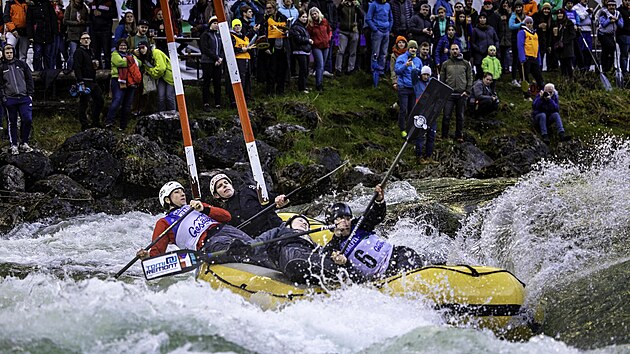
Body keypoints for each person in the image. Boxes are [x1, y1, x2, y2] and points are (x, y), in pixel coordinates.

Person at [136, 181, 271, 267]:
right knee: (243, 250)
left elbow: (226, 216)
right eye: (177, 192)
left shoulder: (194, 206)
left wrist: (204, 209)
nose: (182, 194)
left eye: (183, 191)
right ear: (167, 199)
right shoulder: (164, 222)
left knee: (257, 248)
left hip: (226, 229)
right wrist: (147, 257)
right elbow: (157, 253)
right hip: (208, 243)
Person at [322, 185, 428, 281]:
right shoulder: (334, 248)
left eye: (348, 218)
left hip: (399, 256)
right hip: (383, 275)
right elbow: (354, 277)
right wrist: (344, 263)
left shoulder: (358, 225)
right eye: (340, 218)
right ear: (331, 223)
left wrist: (379, 200)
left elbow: (376, 215)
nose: (346, 222)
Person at [256, 214, 364, 285]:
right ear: (289, 224)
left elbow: (324, 253)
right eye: (300, 221)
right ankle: (364, 283)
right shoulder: (280, 231)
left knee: (338, 267)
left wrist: (336, 240)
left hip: (301, 262)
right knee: (347, 274)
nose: (304, 223)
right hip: (294, 256)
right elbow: (259, 243)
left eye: (307, 224)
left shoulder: (310, 242)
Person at [209, 173, 289, 238]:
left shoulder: (248, 190)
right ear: (216, 195)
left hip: (277, 228)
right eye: (220, 186)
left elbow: (273, 199)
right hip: (259, 242)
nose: (224, 185)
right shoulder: (224, 214)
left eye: (226, 183)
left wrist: (281, 199)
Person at [0, 45, 34, 155]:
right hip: (10, 99)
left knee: (27, 119)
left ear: (13, 52)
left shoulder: (21, 64)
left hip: (24, 98)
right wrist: (4, 98)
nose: (9, 54)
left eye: (10, 52)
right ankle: (13, 144)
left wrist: (30, 94)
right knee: (12, 122)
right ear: (4, 54)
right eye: (7, 53)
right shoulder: (2, 67)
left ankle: (24, 142)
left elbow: (29, 79)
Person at [440, 43, 473, 142]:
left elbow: (470, 78)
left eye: (456, 49)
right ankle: (444, 136)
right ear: (450, 51)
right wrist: (443, 92)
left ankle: (459, 135)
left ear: (459, 50)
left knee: (460, 116)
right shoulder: (445, 64)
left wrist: (467, 91)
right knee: (446, 115)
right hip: (449, 94)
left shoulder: (466, 63)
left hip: (461, 94)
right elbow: (442, 79)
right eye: (453, 49)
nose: (455, 51)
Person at [105, 39, 141, 130]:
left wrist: (129, 60)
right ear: (118, 46)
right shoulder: (115, 54)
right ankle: (109, 122)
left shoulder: (130, 55)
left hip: (130, 82)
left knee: (127, 104)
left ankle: (123, 126)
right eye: (121, 45)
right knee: (117, 100)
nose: (123, 47)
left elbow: (139, 63)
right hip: (117, 80)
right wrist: (131, 61)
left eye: (125, 45)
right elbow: (119, 62)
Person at [73, 32, 104, 130]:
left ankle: (95, 121)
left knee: (99, 100)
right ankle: (84, 125)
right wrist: (80, 81)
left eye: (88, 38)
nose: (86, 40)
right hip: (84, 81)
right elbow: (77, 67)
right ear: (80, 40)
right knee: (84, 104)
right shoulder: (78, 51)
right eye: (84, 38)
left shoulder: (91, 51)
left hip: (93, 80)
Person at [135, 41, 176, 112]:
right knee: (160, 97)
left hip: (170, 76)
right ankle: (161, 115)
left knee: (169, 97)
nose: (142, 50)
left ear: (147, 47)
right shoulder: (144, 58)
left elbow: (161, 68)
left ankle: (173, 115)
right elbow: (148, 69)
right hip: (161, 78)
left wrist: (152, 72)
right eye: (140, 48)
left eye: (143, 47)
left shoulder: (156, 52)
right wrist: (154, 72)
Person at [394, 39, 421, 139]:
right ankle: (402, 128)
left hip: (413, 88)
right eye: (411, 48)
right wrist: (405, 65)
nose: (413, 49)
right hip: (403, 87)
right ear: (408, 48)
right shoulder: (402, 58)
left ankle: (410, 128)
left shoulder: (418, 60)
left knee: (412, 110)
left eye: (415, 48)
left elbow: (421, 73)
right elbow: (397, 70)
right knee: (403, 109)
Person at [365, 0, 393, 87]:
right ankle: (374, 71)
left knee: (384, 53)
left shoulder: (388, 5)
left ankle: (381, 71)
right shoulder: (373, 5)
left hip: (386, 31)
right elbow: (368, 18)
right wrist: (375, 29)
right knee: (375, 53)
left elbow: (391, 18)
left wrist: (389, 28)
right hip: (377, 31)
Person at [414, 66, 438, 164]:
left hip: (431, 111)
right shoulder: (417, 83)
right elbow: (413, 73)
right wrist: (418, 69)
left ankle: (429, 156)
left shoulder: (431, 83)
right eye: (424, 74)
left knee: (431, 135)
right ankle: (419, 156)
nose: (426, 76)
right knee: (420, 135)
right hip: (420, 111)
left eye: (428, 75)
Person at [200, 16, 224, 111]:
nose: (216, 25)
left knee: (217, 83)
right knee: (206, 83)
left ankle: (218, 103)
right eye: (214, 23)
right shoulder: (205, 35)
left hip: (217, 62)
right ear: (210, 24)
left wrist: (220, 58)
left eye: (217, 23)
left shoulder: (218, 35)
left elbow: (222, 48)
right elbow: (205, 49)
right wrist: (216, 58)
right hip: (207, 62)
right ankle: (206, 103)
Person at [26, 0, 58, 71]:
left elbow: (53, 19)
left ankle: (48, 73)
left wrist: (54, 32)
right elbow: (29, 21)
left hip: (48, 35)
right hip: (37, 35)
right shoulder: (31, 6)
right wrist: (30, 35)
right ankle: (37, 72)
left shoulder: (48, 5)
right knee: (37, 55)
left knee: (47, 55)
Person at [517, 16, 544, 99]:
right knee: (525, 78)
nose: (529, 24)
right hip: (526, 58)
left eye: (530, 23)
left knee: (539, 77)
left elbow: (537, 47)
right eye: (527, 23)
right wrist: (522, 58)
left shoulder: (535, 33)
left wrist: (539, 59)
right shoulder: (522, 32)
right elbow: (520, 45)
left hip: (534, 58)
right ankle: (526, 95)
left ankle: (542, 93)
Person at [335, 0, 363, 75]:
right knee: (341, 51)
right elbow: (336, 13)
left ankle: (351, 69)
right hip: (343, 31)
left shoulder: (356, 5)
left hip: (354, 30)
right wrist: (341, 5)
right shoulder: (343, 5)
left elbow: (362, 15)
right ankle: (338, 69)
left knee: (353, 51)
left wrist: (357, 7)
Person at [308, 7, 332, 92]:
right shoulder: (310, 25)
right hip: (316, 47)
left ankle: (320, 82)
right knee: (320, 65)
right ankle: (319, 85)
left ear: (318, 13)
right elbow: (309, 35)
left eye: (315, 13)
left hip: (326, 46)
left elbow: (329, 30)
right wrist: (313, 42)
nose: (314, 15)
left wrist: (328, 38)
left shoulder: (324, 21)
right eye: (312, 14)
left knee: (323, 65)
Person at [229, 19, 253, 104]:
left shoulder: (245, 37)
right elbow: (230, 49)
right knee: (240, 79)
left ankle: (247, 97)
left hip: (247, 59)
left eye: (239, 25)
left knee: (247, 79)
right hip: (238, 60)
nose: (237, 27)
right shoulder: (231, 36)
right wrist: (241, 49)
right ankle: (237, 99)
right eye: (235, 25)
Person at [88, 0, 118, 69]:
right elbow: (90, 16)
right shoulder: (93, 2)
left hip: (105, 31)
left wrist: (101, 14)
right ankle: (98, 72)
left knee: (106, 53)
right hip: (94, 31)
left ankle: (108, 71)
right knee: (96, 53)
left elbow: (114, 14)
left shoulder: (110, 2)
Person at [598, 0, 624, 74]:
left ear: (615, 6)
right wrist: (609, 19)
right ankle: (604, 67)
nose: (611, 7)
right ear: (607, 6)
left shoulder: (618, 13)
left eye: (613, 5)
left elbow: (621, 25)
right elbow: (603, 24)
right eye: (610, 5)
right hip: (603, 34)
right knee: (611, 47)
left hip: (611, 35)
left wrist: (616, 20)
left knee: (609, 50)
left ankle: (609, 67)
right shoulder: (603, 12)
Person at [290, 10, 313, 93]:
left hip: (305, 50)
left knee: (306, 69)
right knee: (303, 69)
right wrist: (308, 40)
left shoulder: (304, 27)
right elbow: (298, 39)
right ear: (299, 17)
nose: (304, 19)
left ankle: (304, 86)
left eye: (306, 17)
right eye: (303, 17)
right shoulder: (296, 27)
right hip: (299, 50)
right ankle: (301, 88)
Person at [471, 12, 499, 80]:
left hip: (491, 55)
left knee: (490, 74)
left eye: (484, 18)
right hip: (480, 55)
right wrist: (479, 49)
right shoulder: (475, 30)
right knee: (480, 73)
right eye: (481, 18)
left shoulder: (491, 29)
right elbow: (472, 43)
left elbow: (496, 40)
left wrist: (495, 48)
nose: (482, 19)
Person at [552, 10, 576, 78]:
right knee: (562, 65)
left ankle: (571, 80)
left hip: (567, 48)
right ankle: (563, 81)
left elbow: (573, 35)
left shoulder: (569, 23)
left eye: (561, 14)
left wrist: (564, 41)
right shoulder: (556, 23)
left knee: (568, 65)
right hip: (560, 49)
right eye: (558, 14)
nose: (559, 15)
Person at [508, 0, 525, 86]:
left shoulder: (524, 15)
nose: (518, 9)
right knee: (515, 59)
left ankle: (522, 78)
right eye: (517, 7)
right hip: (515, 39)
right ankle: (513, 79)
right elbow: (510, 26)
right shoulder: (513, 16)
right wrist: (520, 24)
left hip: (523, 39)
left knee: (522, 59)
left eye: (520, 7)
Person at [618, 0, 630, 75]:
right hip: (623, 35)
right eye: (626, 0)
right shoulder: (619, 11)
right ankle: (624, 72)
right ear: (622, 1)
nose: (628, 2)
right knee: (624, 54)